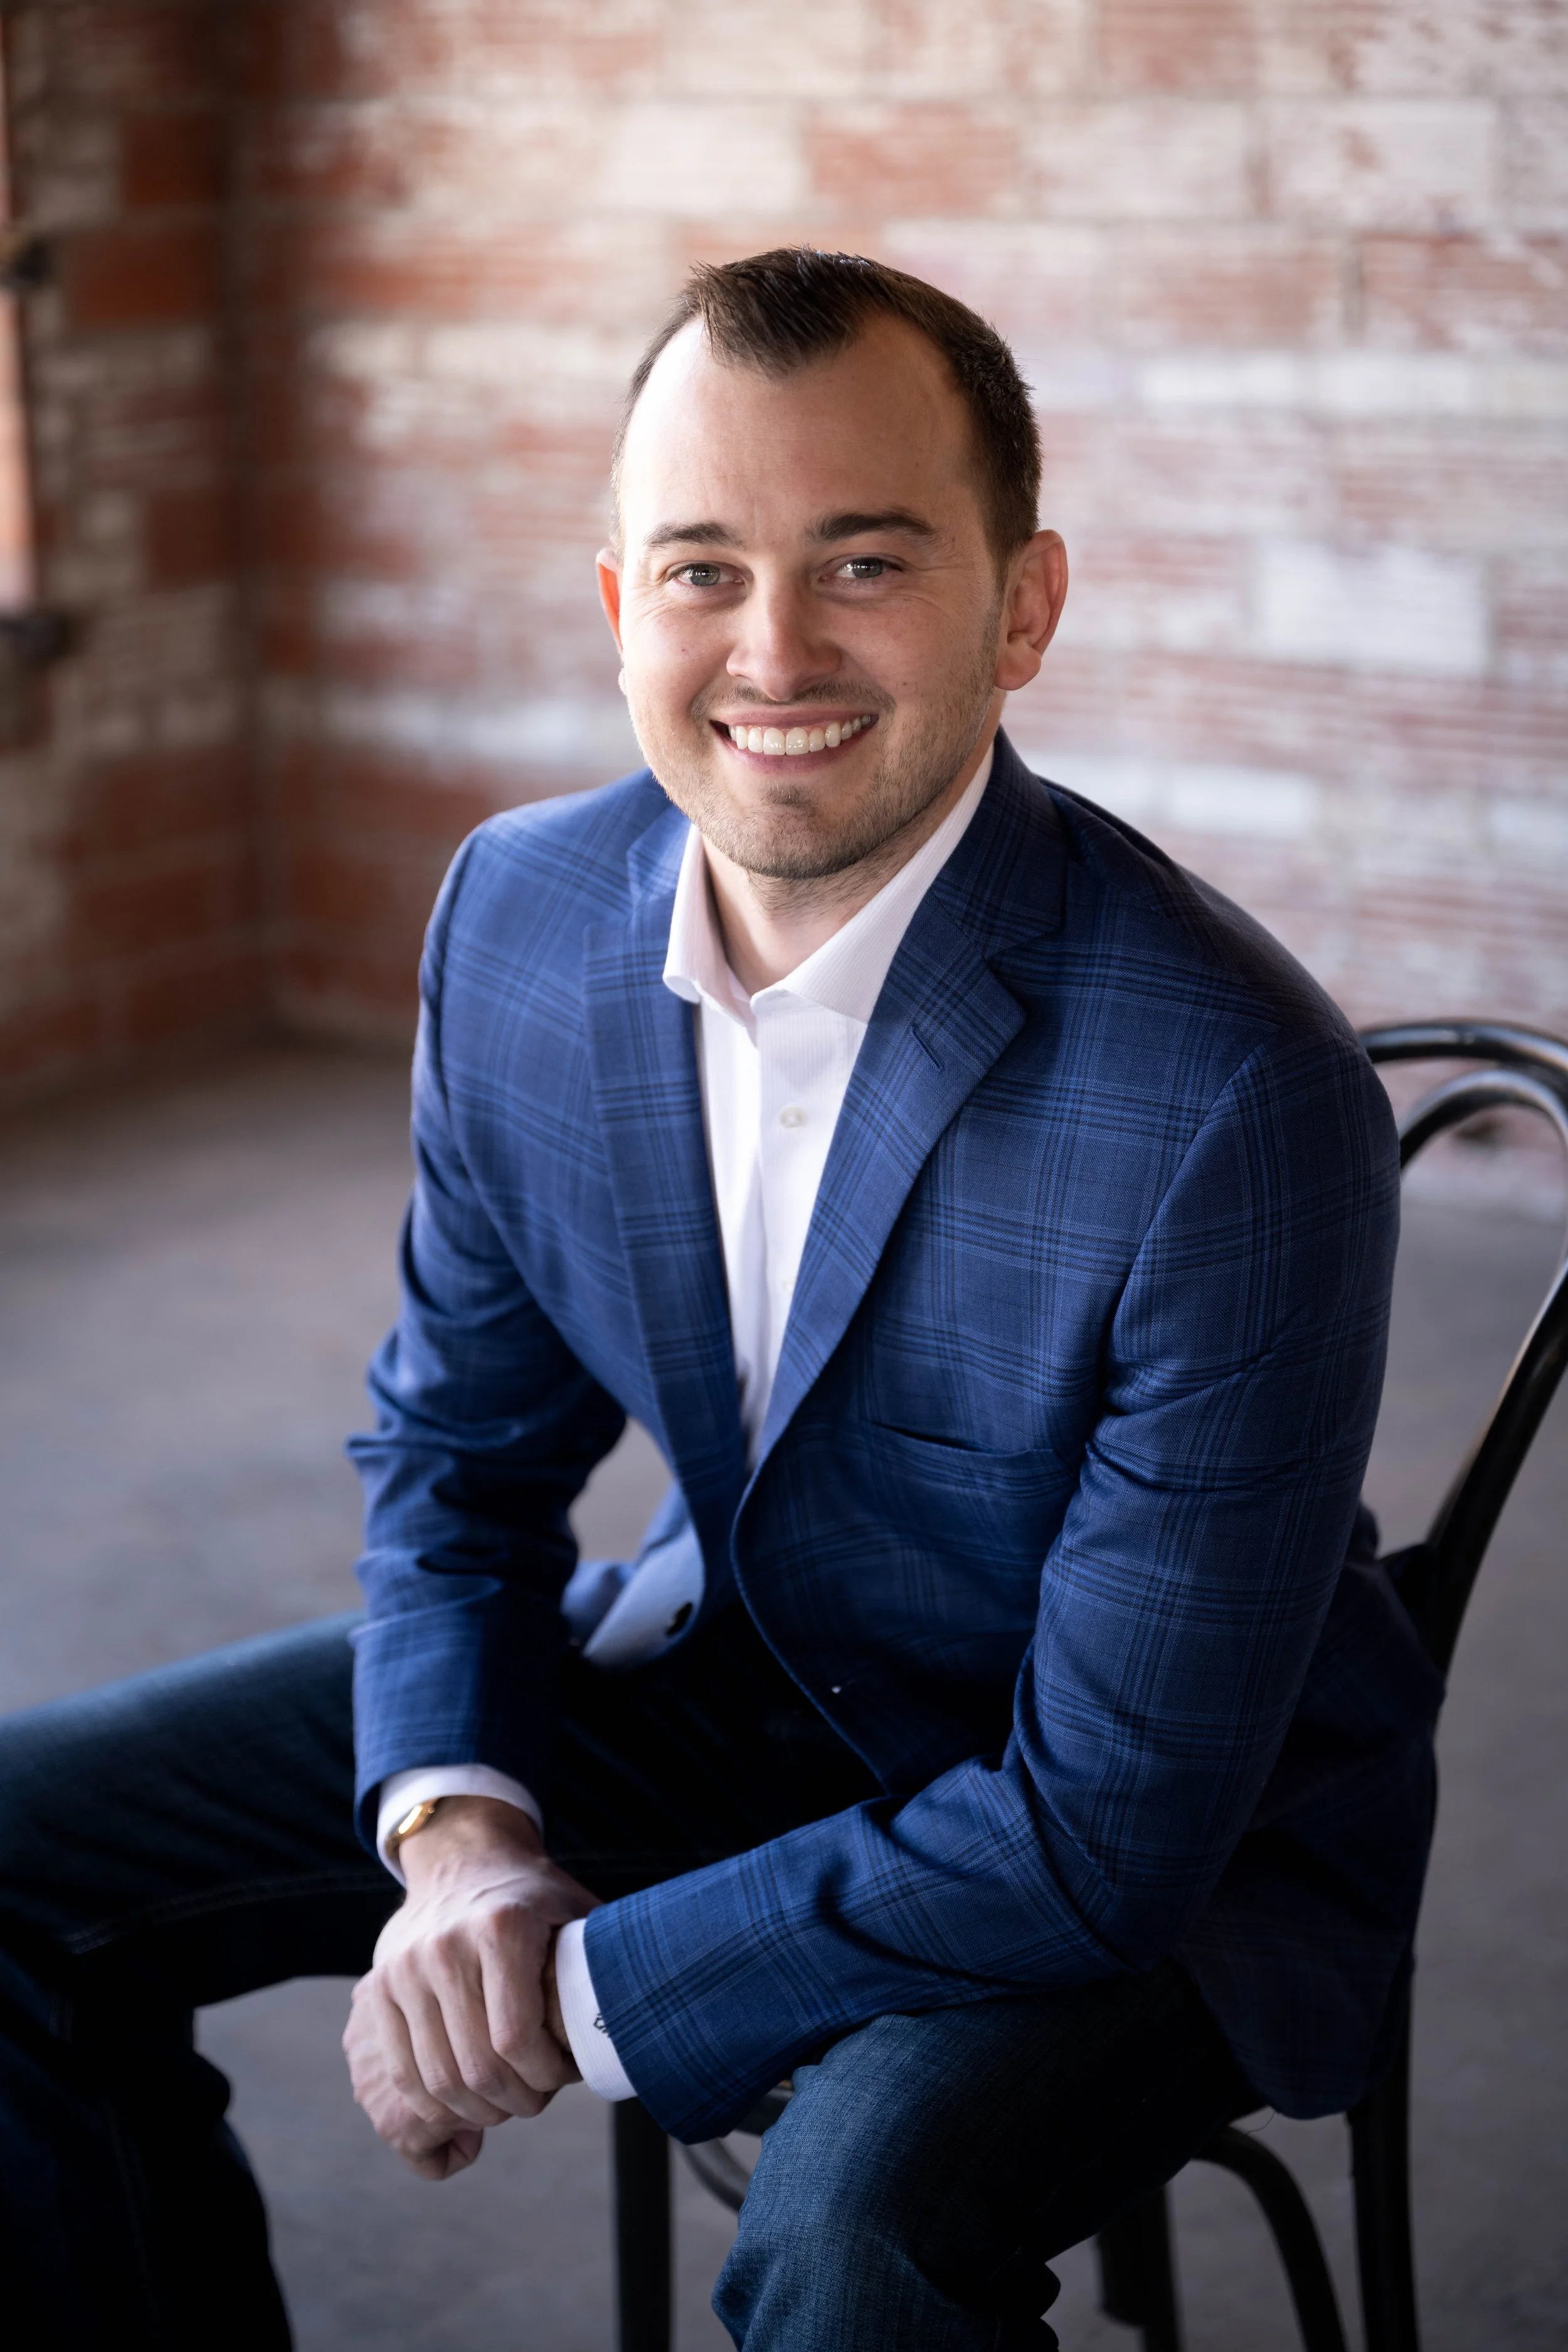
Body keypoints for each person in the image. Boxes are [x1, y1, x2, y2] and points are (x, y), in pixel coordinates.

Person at [0, 249, 1443, 2351]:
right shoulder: (517, 915)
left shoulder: (1229, 1099)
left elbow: (1098, 1833)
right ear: (616, 610)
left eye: (864, 560)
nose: (772, 650)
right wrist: (468, 1842)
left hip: (1154, 1839)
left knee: (850, 2237)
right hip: (746, 1670)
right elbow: (460, 1454)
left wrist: (571, 1991)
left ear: (1021, 603)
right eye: (701, 570)